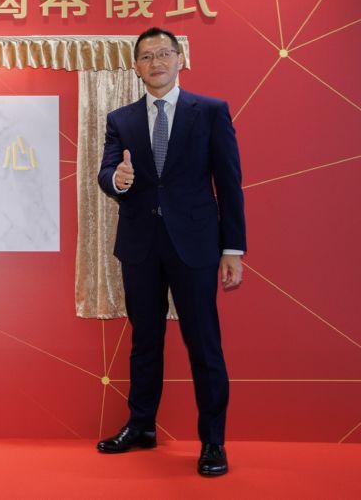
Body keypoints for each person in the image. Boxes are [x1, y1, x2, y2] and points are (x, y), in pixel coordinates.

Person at [96, 27, 245, 477]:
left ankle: (213, 442)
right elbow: (107, 173)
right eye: (146, 56)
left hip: (194, 245)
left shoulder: (211, 112)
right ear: (136, 67)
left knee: (203, 342)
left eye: (164, 53)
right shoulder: (121, 119)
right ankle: (141, 426)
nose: (155, 62)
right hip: (140, 245)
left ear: (180, 59)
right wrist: (118, 180)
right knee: (145, 340)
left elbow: (229, 183)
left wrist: (232, 248)